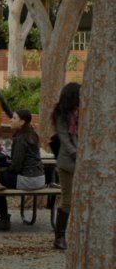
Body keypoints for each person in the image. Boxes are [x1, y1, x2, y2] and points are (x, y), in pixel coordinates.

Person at [0, 109, 45, 232]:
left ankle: (0, 218)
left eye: (14, 118)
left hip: (29, 180)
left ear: (22, 122)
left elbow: (16, 166)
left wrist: (6, 167)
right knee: (0, 179)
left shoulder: (21, 138)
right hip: (40, 178)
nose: (11, 120)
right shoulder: (32, 134)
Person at [52, 82, 80, 250]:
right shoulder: (61, 114)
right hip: (68, 162)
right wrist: (76, 153)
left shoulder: (85, 112)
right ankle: (59, 236)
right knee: (67, 200)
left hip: (85, 162)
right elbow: (63, 137)